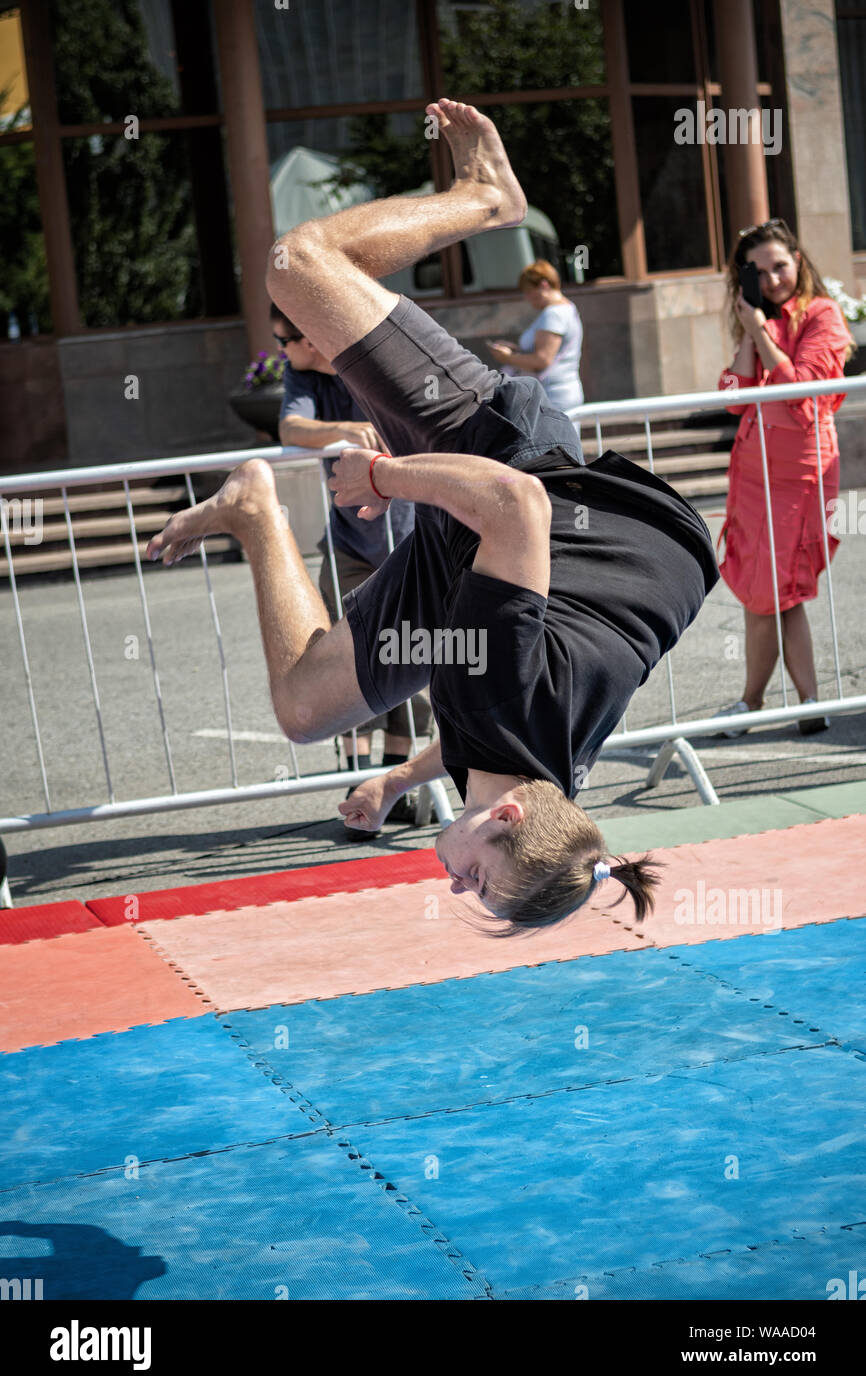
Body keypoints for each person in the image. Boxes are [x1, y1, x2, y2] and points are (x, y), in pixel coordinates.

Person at [146, 99, 719, 930]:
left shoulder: (537, 774)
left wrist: (393, 781)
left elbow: (476, 733)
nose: (459, 889)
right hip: (514, 469)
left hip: (501, 568)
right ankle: (491, 199)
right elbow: (514, 508)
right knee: (298, 264)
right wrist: (382, 476)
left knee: (307, 709)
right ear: (507, 821)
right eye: (479, 884)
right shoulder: (506, 697)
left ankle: (253, 509)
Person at [269, 300, 433, 833]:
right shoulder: (303, 377)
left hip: (412, 542)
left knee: (413, 660)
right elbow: (291, 427)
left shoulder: (369, 365)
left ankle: (394, 780)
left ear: (310, 336)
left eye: (284, 339)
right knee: (346, 662)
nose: (280, 351)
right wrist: (345, 430)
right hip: (350, 547)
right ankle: (354, 780)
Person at [714, 217, 855, 738]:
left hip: (799, 473)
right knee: (765, 591)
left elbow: (800, 393)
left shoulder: (823, 315)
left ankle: (762, 703)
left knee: (778, 591)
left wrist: (758, 333)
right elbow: (732, 396)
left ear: (799, 262)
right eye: (758, 272)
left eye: (780, 266)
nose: (773, 280)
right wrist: (750, 332)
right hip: (752, 474)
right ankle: (797, 702)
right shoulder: (759, 320)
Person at [487, 259, 584, 412]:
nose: (526, 298)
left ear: (544, 285)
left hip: (553, 395)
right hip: (562, 391)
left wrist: (507, 358)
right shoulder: (567, 307)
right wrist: (517, 350)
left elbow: (542, 360)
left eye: (528, 292)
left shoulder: (553, 314)